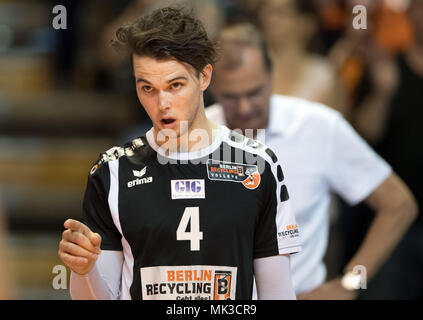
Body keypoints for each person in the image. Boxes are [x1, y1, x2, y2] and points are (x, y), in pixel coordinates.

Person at [58, 7, 301, 300]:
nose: (162, 103)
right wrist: (84, 271)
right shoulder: (112, 171)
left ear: (205, 77)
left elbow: (278, 295)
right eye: (147, 88)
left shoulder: (258, 165)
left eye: (175, 86)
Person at [206, 23, 418, 299]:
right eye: (231, 97)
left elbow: (399, 205)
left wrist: (351, 283)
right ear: (210, 86)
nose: (245, 108)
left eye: (254, 93)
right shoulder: (191, 136)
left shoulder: (320, 127)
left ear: (272, 75)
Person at [344, 0, 423, 299]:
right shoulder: (385, 69)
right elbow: (364, 134)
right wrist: (382, 93)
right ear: (410, 14)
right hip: (390, 223)